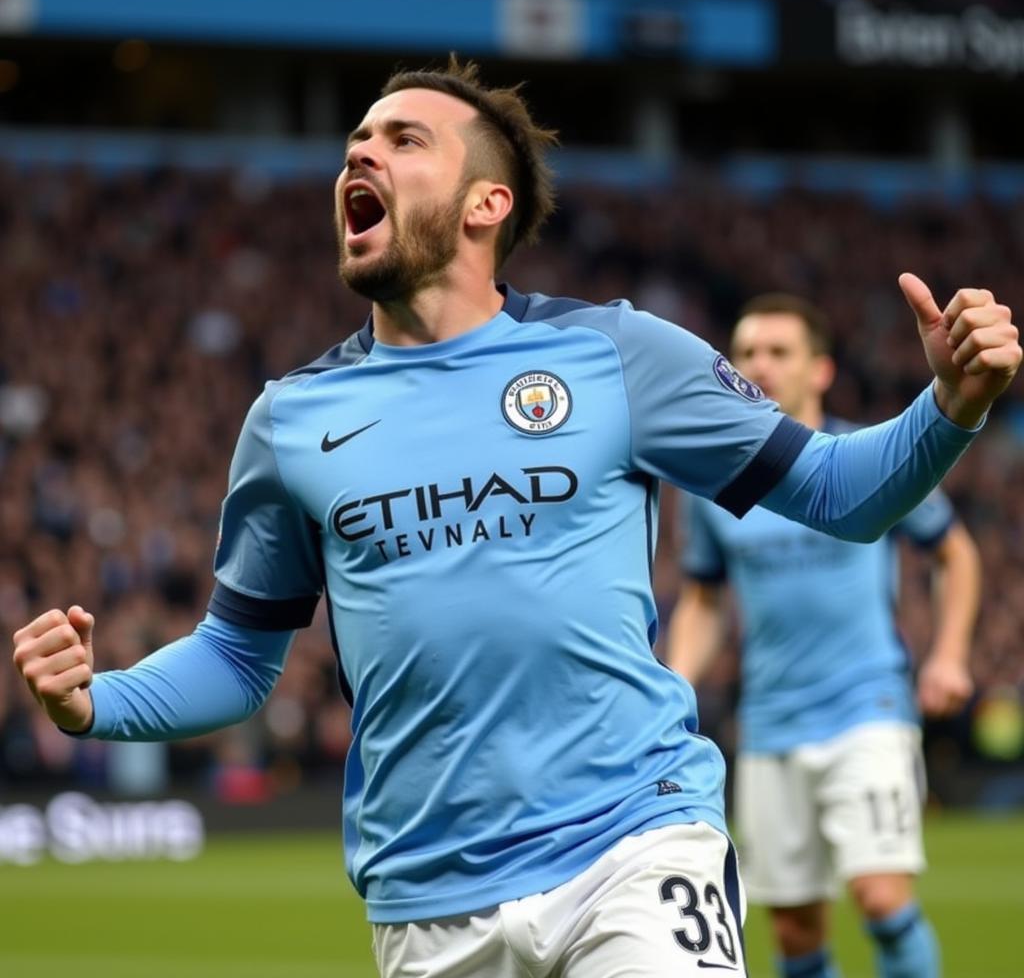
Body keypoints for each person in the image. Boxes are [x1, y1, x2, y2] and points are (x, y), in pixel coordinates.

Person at [11, 59, 1020, 978]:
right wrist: (98, 703)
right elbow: (237, 655)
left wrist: (949, 408)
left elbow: (839, 494)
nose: (362, 149)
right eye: (356, 138)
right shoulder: (289, 419)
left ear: (485, 203)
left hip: (633, 841)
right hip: (426, 897)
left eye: (405, 138)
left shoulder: (616, 355)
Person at [666, 293, 982, 978]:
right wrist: (675, 684)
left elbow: (954, 552)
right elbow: (703, 598)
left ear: (821, 370)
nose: (759, 365)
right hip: (771, 723)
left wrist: (949, 654)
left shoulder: (866, 458)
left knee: (880, 896)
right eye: (747, 352)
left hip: (865, 706)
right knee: (796, 933)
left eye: (779, 352)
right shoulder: (715, 482)